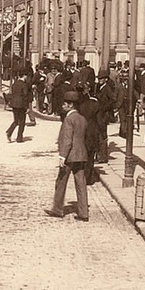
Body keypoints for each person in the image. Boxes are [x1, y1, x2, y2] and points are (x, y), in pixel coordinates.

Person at [45, 90, 89, 221]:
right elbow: (84, 138)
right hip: (81, 155)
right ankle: (83, 213)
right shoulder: (82, 119)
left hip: (69, 156)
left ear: (70, 105)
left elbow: (67, 140)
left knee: (61, 181)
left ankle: (57, 209)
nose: (62, 106)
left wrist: (62, 156)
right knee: (81, 183)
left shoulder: (68, 120)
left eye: (65, 104)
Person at [76, 83, 104, 183]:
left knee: (83, 154)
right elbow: (100, 121)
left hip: (82, 131)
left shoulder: (79, 105)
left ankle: (82, 176)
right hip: (92, 132)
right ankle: (88, 178)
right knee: (90, 154)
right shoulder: (95, 104)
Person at [6, 71, 32, 143]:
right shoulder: (24, 85)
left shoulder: (15, 83)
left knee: (16, 120)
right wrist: (27, 107)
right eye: (26, 76)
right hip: (21, 105)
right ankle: (19, 138)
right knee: (22, 122)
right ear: (24, 76)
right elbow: (25, 96)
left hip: (14, 104)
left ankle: (9, 132)